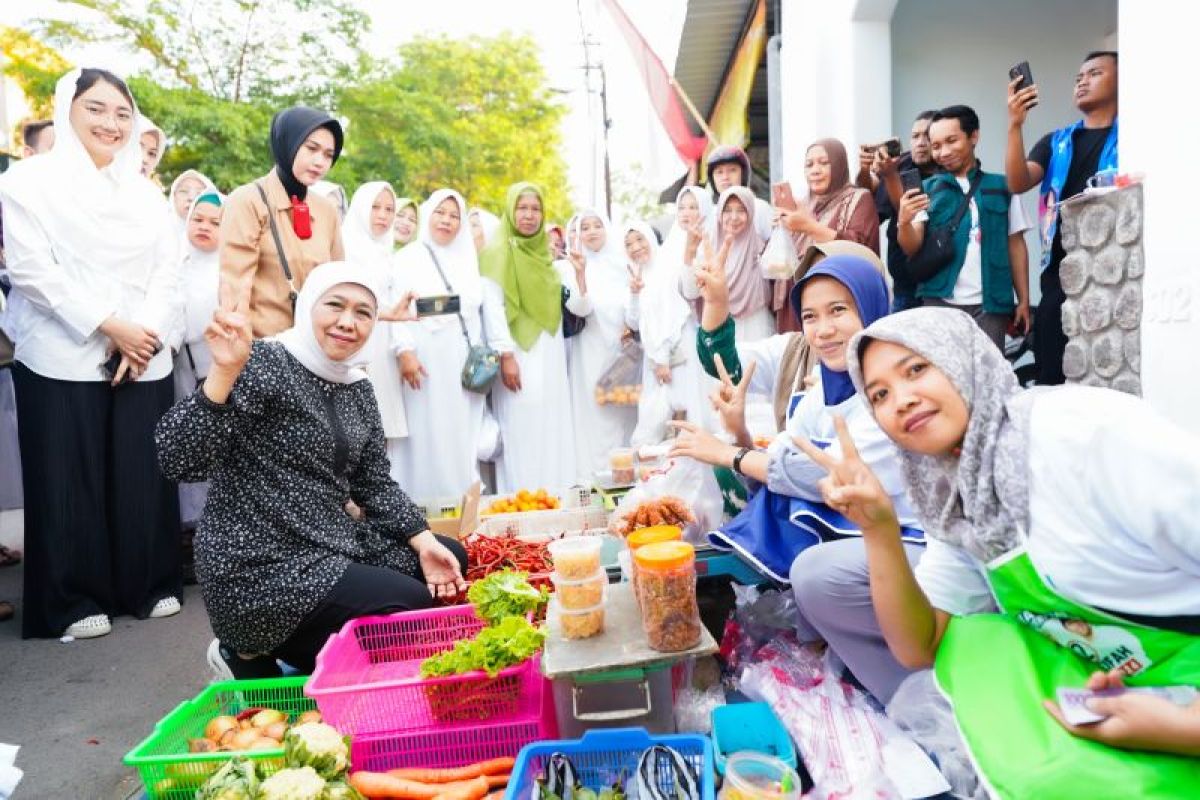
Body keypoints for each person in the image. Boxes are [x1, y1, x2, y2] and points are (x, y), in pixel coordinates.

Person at [799, 306, 1200, 797]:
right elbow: (921, 645)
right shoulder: (958, 487)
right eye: (879, 395)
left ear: (966, 359)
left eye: (917, 369)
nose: (901, 400)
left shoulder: (1082, 438)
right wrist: (878, 528)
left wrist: (1183, 727)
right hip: (1125, 678)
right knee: (972, 643)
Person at [156, 261, 468, 677]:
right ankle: (246, 650)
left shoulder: (357, 386)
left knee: (449, 558)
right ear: (307, 308)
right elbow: (178, 459)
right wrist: (224, 372)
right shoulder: (263, 361)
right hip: (261, 562)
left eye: (363, 312)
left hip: (327, 542)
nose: (347, 322)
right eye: (334, 305)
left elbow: (373, 483)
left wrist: (425, 540)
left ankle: (314, 659)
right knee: (410, 603)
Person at [672, 252, 923, 704]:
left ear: (872, 303)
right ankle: (846, 672)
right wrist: (740, 435)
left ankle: (908, 697)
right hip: (871, 531)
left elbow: (822, 473)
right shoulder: (822, 379)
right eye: (811, 315)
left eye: (839, 310)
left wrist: (731, 453)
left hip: (917, 539)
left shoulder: (890, 383)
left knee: (813, 572)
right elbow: (785, 460)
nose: (824, 329)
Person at [0, 67, 184, 640]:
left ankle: (148, 584)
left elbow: (168, 273)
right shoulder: (27, 184)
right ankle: (71, 599)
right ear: (67, 109)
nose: (111, 123)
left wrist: (143, 333)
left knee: (141, 474)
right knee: (67, 478)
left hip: (143, 353)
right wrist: (110, 326)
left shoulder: (146, 193)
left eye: (123, 113)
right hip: (61, 351)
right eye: (96, 109)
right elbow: (32, 271)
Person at [1006, 51, 1119, 385]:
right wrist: (1015, 125)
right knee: (1053, 373)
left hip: (1112, 270)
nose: (1082, 81)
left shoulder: (1138, 138)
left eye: (1094, 73)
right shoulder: (1056, 142)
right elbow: (1018, 181)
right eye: (1078, 77)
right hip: (1060, 273)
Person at [897, 104, 1032, 350]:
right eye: (936, 146)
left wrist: (1023, 299)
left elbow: (1016, 245)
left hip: (991, 305)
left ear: (973, 136)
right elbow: (911, 245)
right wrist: (904, 221)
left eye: (951, 141)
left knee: (989, 379)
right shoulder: (926, 189)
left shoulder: (1004, 186)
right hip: (939, 301)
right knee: (943, 377)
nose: (943, 152)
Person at [388, 189, 489, 498]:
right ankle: (419, 504)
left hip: (459, 358)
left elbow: (473, 310)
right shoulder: (406, 257)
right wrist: (405, 351)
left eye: (454, 215)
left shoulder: (467, 259)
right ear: (428, 214)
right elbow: (398, 308)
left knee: (459, 431)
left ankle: (461, 501)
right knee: (424, 430)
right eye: (440, 213)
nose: (446, 220)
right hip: (424, 356)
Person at [479, 182, 579, 491]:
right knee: (521, 427)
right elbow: (493, 306)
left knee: (552, 426)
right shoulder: (496, 252)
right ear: (510, 210)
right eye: (522, 208)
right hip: (517, 355)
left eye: (536, 209)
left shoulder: (546, 258)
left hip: (549, 357)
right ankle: (523, 501)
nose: (529, 215)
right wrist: (506, 355)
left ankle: (558, 499)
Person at [220, 106, 345, 338]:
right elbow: (234, 291)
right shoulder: (247, 200)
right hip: (264, 349)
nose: (320, 162)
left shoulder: (326, 210)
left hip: (317, 348)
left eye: (329, 155)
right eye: (311, 148)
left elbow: (338, 283)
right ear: (288, 142)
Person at [774, 138, 882, 333]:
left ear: (839, 164)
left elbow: (860, 249)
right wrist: (783, 231)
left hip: (841, 304)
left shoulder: (859, 198)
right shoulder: (804, 205)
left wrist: (808, 226)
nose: (815, 170)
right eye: (809, 165)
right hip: (800, 303)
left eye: (824, 163)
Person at [564, 210, 638, 480]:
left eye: (597, 226)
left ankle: (626, 482)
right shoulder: (571, 266)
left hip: (623, 356)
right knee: (594, 419)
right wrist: (581, 275)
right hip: (590, 354)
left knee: (624, 416)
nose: (592, 231)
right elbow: (579, 309)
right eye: (585, 227)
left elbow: (634, 308)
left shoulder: (623, 264)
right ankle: (594, 480)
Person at [625, 221, 710, 447]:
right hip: (655, 357)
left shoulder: (666, 270)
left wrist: (662, 358)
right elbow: (634, 322)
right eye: (629, 244)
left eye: (640, 239)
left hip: (677, 351)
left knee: (685, 409)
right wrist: (634, 293)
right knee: (657, 417)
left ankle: (694, 469)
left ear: (651, 240)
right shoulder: (635, 275)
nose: (635, 247)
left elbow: (672, 317)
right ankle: (664, 473)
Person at [341, 181, 408, 445]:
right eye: (375, 207)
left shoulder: (385, 250)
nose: (383, 215)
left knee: (378, 435)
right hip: (355, 345)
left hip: (383, 348)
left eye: (390, 209)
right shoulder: (346, 247)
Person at [857, 113, 939, 312]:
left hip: (942, 284)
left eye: (927, 136)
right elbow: (869, 193)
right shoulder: (900, 163)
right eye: (915, 136)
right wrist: (865, 169)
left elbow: (910, 212)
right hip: (904, 283)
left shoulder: (949, 172)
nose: (920, 143)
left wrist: (890, 175)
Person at [682, 187, 773, 343]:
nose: (734, 217)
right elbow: (691, 292)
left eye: (741, 210)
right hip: (720, 329)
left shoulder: (762, 249)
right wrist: (689, 254)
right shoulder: (707, 248)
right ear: (719, 214)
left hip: (757, 328)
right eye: (727, 211)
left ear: (751, 213)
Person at [705, 145, 773, 240]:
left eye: (732, 170)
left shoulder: (760, 209)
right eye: (719, 172)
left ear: (744, 174)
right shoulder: (709, 213)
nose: (725, 177)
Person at [167, 169, 216, 240]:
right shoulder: (157, 230)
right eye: (184, 191)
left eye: (199, 193)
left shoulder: (220, 237)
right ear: (173, 196)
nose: (191, 198)